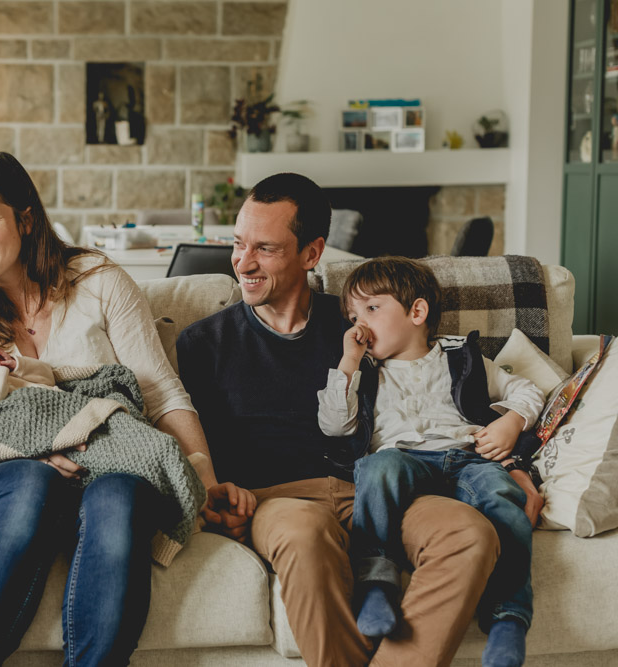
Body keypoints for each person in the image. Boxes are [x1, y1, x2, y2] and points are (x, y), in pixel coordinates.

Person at [176, 172, 543, 667]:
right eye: (238, 243)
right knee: (306, 536)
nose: (243, 262)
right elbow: (198, 456)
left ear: (311, 254)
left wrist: (514, 462)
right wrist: (219, 499)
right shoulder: (204, 344)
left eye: (265, 248)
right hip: (280, 501)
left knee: (470, 533)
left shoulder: (365, 322)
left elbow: (448, 395)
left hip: (378, 487)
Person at [0, 151, 239, 666]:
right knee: (32, 482)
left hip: (103, 470)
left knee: (122, 493)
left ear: (25, 219)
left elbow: (157, 390)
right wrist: (32, 453)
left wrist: (201, 473)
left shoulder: (97, 280)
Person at [318, 257, 544, 667]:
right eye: (352, 315)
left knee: (503, 494)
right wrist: (349, 361)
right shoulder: (367, 372)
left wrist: (511, 422)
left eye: (371, 309)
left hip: (465, 458)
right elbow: (334, 425)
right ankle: (376, 587)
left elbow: (528, 391)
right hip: (402, 459)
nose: (359, 324)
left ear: (417, 312)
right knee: (376, 468)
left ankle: (508, 617)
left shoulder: (463, 357)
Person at [0, 339, 206, 565]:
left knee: (144, 444)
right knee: (133, 452)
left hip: (80, 416)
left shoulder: (6, 382)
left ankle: (172, 467)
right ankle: (173, 474)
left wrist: (16, 364)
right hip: (62, 438)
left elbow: (48, 379)